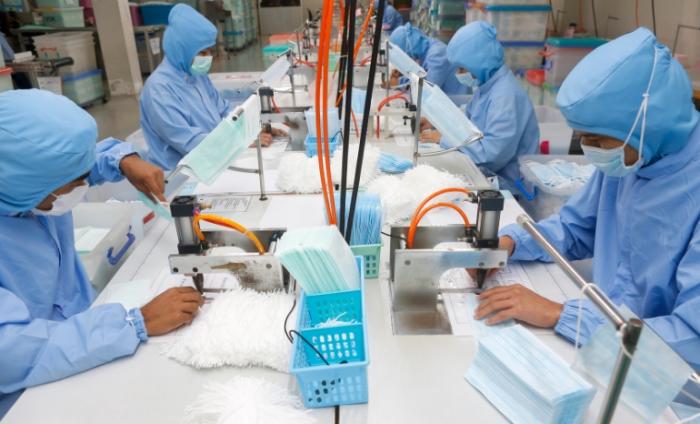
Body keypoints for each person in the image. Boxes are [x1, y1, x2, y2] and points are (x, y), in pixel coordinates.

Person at [471, 28, 700, 371]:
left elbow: (689, 338)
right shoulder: (634, 156)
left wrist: (563, 315)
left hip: (662, 384)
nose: (589, 149)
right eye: (584, 137)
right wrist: (509, 244)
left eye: (597, 139)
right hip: (602, 341)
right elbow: (576, 226)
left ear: (645, 120)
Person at [0, 90, 205, 416]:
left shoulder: (17, 179)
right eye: (75, 183)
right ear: (29, 183)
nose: (82, 187)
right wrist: (133, 323)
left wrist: (123, 160)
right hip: (25, 395)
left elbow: (73, 162)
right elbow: (10, 354)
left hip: (82, 330)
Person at [140, 4, 283, 171]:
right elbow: (187, 141)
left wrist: (252, 130)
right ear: (181, 49)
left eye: (209, 51)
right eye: (202, 53)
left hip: (214, 161)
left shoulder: (196, 76)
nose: (208, 58)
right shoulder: (159, 89)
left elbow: (224, 110)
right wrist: (239, 143)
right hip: (180, 176)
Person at [421, 21, 539, 192]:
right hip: (485, 175)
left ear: (479, 63)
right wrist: (436, 122)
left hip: (507, 188)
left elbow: (490, 155)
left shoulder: (505, 96)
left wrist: (444, 139)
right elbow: (469, 120)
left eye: (462, 68)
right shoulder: (487, 85)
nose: (458, 74)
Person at [388, 23, 464, 97]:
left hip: (455, 104)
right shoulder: (427, 50)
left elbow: (427, 90)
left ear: (408, 46)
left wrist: (399, 84)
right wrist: (400, 81)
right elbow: (422, 78)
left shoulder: (437, 54)